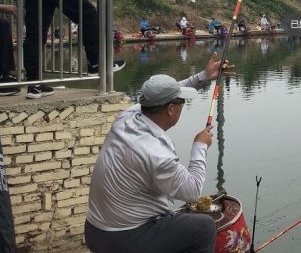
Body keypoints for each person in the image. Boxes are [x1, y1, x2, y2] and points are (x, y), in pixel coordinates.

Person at [85, 55, 233, 253]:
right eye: (182, 102)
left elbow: (164, 93)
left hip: (95, 232)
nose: (183, 106)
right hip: (122, 240)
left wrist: (205, 76)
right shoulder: (157, 153)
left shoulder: (129, 116)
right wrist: (200, 147)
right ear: (171, 109)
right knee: (203, 227)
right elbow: (192, 192)